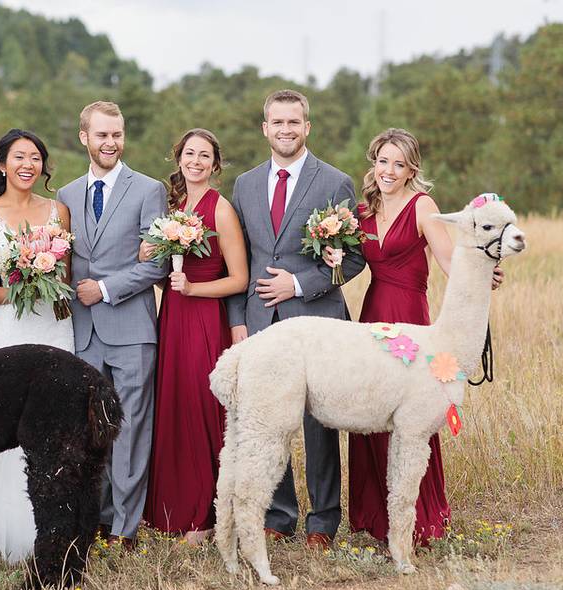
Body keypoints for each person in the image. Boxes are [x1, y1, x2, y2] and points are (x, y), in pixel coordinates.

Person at [339, 128, 504, 545]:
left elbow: (450, 258)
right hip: (374, 316)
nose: (389, 171)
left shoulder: (422, 205)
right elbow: (352, 262)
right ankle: (376, 517)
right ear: (372, 164)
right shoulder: (363, 211)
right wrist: (331, 255)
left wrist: (478, 276)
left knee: (413, 416)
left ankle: (422, 517)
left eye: (398, 163)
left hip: (410, 316)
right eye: (382, 161)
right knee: (372, 408)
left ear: (411, 168)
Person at [225, 90, 366, 549]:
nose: (285, 130)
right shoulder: (245, 184)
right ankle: (280, 515)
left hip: (317, 321)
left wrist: (300, 284)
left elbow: (355, 257)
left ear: (307, 127)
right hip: (260, 320)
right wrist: (237, 320)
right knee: (271, 421)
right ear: (265, 128)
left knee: (319, 425)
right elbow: (238, 259)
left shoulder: (335, 182)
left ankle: (323, 521)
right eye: (277, 123)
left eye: (294, 122)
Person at [57, 101, 168, 549]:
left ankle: (125, 526)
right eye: (102, 134)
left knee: (130, 427)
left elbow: (158, 263)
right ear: (84, 136)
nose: (111, 143)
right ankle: (96, 517)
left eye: (117, 134)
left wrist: (103, 289)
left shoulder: (148, 190)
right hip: (83, 334)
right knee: (89, 430)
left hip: (131, 330)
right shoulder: (65, 196)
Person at [0, 129, 74, 562]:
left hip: (54, 330)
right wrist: (22, 290)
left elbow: (62, 276)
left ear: (43, 166)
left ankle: (52, 525)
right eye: (19, 157)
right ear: (2, 165)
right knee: (3, 420)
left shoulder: (58, 211)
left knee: (55, 426)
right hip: (10, 330)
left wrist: (47, 284)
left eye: (35, 157)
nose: (27, 165)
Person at [141, 129, 248, 544]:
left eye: (205, 156)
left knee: (204, 410)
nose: (197, 161)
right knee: (173, 405)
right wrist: (151, 252)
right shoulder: (171, 207)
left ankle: (206, 515)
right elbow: (147, 255)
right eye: (190, 153)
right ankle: (171, 509)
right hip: (172, 317)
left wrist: (193, 289)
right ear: (179, 158)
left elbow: (238, 279)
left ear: (215, 164)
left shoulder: (220, 210)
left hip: (204, 317)